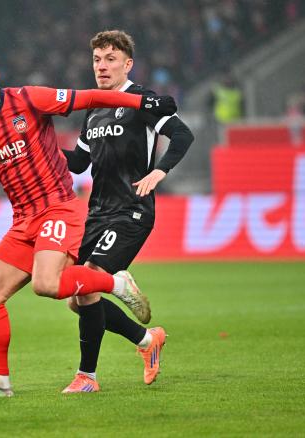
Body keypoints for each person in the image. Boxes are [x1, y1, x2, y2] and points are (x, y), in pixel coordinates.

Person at [0, 46, 177, 398]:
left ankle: (113, 283)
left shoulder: (29, 100)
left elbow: (86, 97)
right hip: (23, 221)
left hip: (58, 209)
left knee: (47, 284)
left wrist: (143, 104)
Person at [61, 30, 194, 393]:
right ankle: (148, 341)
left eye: (110, 59)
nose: (101, 67)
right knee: (76, 299)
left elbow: (182, 135)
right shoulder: (94, 109)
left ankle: (87, 377)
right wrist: (44, 150)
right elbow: (78, 162)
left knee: (87, 282)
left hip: (132, 209)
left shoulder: (142, 100)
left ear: (127, 64)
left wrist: (159, 170)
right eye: (97, 60)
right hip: (98, 213)